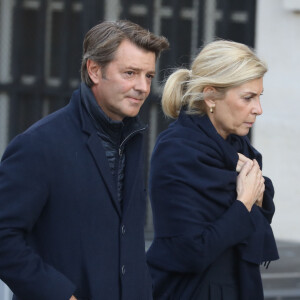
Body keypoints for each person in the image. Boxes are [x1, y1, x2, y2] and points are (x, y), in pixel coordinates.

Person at [0, 20, 169, 300]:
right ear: (94, 70)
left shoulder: (133, 138)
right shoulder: (39, 143)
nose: (142, 87)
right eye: (130, 73)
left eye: (149, 76)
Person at [146, 40, 279, 300]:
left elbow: (259, 213)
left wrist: (258, 195)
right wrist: (244, 203)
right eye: (248, 98)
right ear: (210, 96)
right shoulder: (177, 151)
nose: (258, 110)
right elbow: (190, 252)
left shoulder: (238, 147)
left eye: (259, 97)